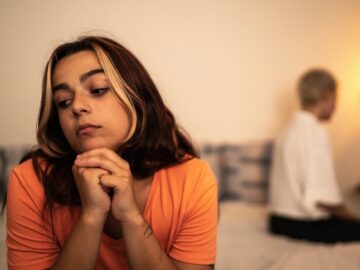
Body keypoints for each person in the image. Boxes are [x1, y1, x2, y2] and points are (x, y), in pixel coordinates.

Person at [4, 36, 218, 269]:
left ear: (136, 97)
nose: (76, 106)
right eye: (63, 102)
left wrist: (131, 217)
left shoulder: (194, 179)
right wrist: (92, 216)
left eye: (97, 90)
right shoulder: (29, 181)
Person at [269, 68, 360, 243]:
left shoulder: (287, 131)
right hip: (301, 223)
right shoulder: (314, 133)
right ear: (328, 95)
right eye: (336, 98)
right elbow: (321, 197)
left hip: (276, 220)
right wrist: (351, 217)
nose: (335, 106)